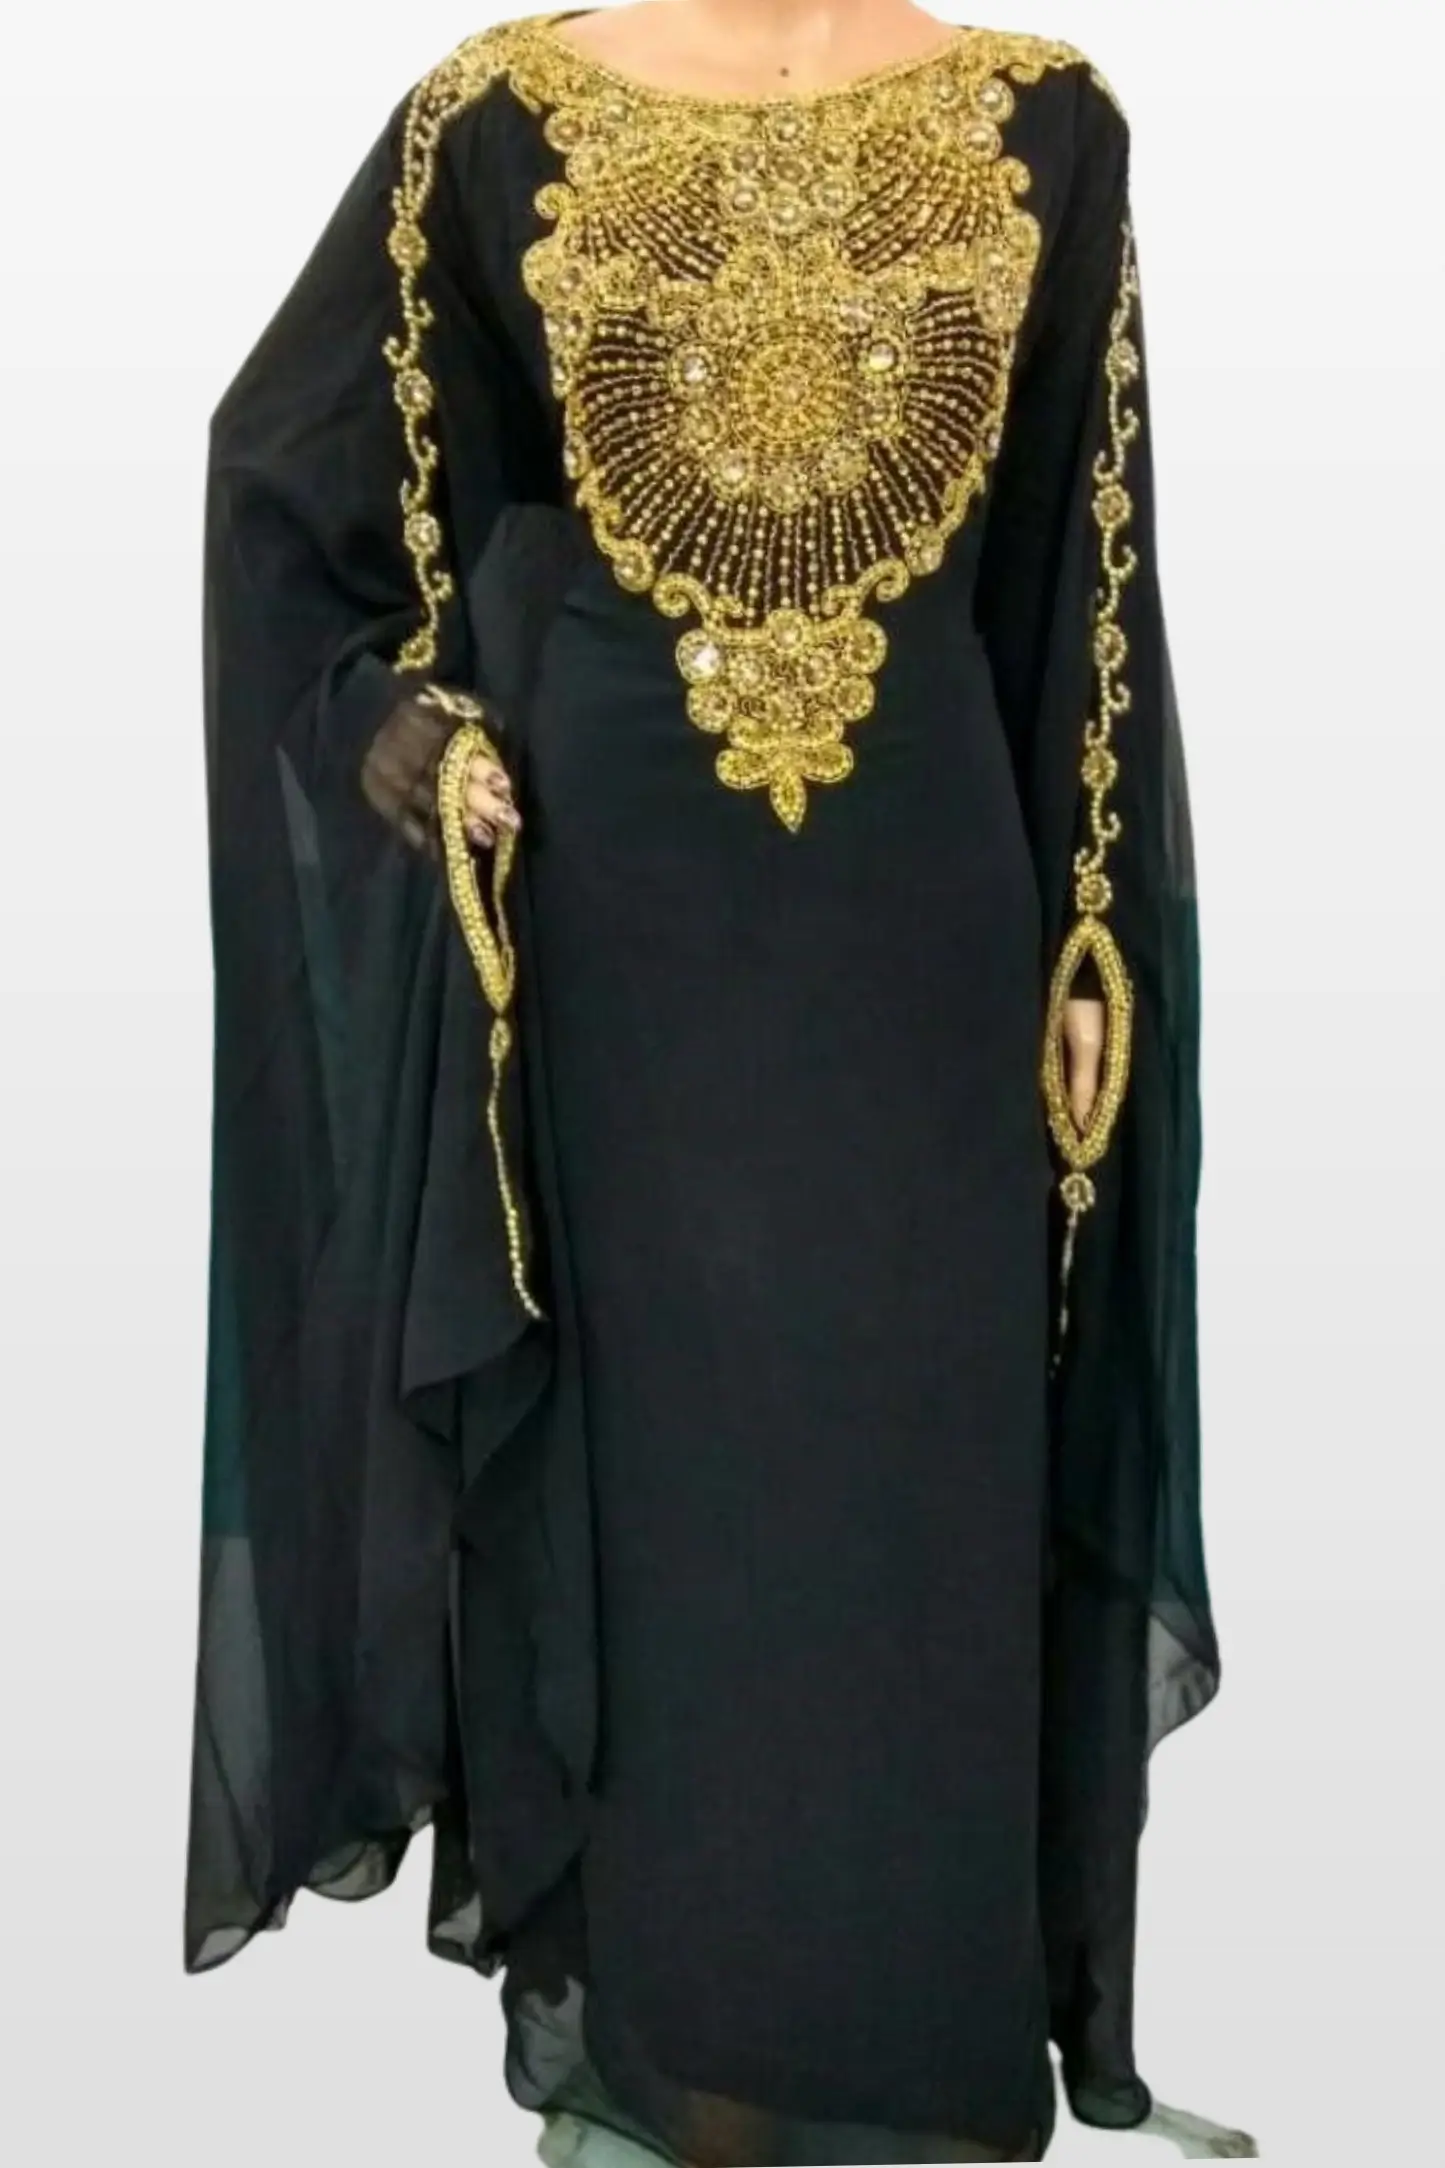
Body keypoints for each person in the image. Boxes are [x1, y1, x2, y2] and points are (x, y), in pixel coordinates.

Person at [183, 5, 1256, 2160]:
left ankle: (912, 2073)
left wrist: (1092, 927)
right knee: (665, 1521)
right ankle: (677, 2088)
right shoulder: (492, 129)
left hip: (925, 947)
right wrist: (406, 737)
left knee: (915, 1495)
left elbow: (1083, 577)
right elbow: (287, 494)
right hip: (621, 957)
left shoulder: (1041, 126)